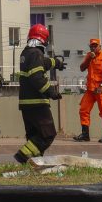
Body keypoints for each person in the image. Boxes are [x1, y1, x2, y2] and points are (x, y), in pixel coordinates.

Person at [14, 23, 66, 164]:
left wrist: (57, 63)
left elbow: (43, 62)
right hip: (37, 102)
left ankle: (34, 162)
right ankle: (24, 155)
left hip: (26, 104)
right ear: (43, 39)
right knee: (47, 135)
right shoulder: (36, 53)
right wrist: (51, 92)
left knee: (34, 136)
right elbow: (36, 77)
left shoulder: (26, 53)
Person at [73, 38, 102, 143]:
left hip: (101, 90)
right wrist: (88, 59)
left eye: (95, 46)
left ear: (100, 46)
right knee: (83, 110)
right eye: (91, 46)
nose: (93, 47)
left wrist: (101, 85)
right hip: (90, 89)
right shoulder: (89, 56)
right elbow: (82, 68)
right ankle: (85, 135)